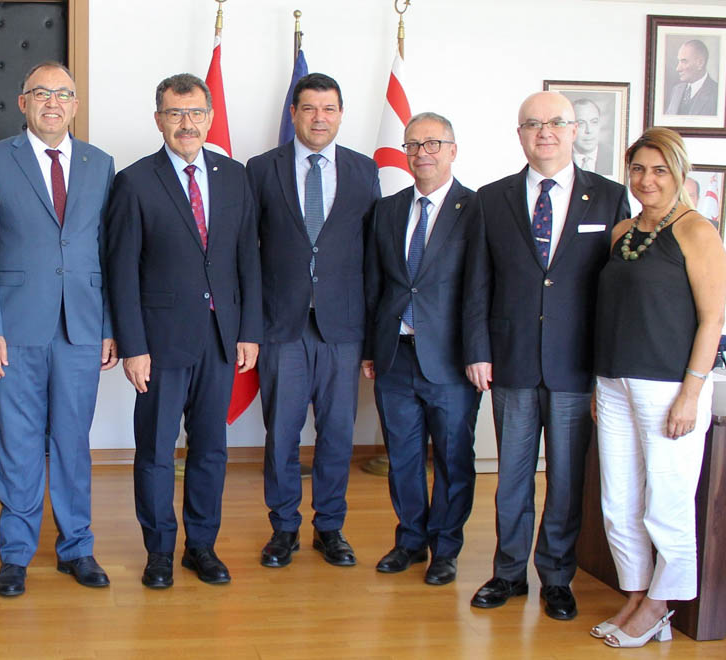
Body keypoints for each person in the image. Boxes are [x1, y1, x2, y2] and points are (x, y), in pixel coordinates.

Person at [465, 91, 631, 621]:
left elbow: (617, 289)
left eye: (556, 122)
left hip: (576, 365)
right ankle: (509, 573)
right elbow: (477, 283)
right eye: (533, 124)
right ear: (519, 134)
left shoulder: (609, 198)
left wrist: (608, 364)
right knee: (511, 479)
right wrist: (477, 350)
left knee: (565, 480)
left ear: (574, 130)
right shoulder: (491, 198)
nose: (545, 132)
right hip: (510, 360)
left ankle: (557, 577)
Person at [0, 61, 118, 597]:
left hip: (82, 326)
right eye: (42, 93)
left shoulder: (100, 163)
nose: (53, 102)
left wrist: (109, 325)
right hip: (14, 327)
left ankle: (77, 547)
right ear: (23, 102)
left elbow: (108, 252)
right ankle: (16, 553)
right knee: (19, 442)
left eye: (63, 94)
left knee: (74, 441)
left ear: (75, 104)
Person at [107, 73, 262, 588]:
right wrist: (133, 346)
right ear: (159, 120)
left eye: (195, 113)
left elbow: (247, 259)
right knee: (155, 451)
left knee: (211, 449)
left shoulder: (235, 176)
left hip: (221, 338)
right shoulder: (134, 181)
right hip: (159, 343)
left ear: (210, 118)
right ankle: (159, 552)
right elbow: (122, 271)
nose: (186, 123)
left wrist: (249, 330)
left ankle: (201, 546)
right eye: (175, 114)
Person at [590, 127, 726, 648]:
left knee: (665, 503)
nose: (647, 180)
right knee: (618, 501)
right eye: (639, 169)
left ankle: (660, 604)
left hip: (670, 387)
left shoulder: (697, 231)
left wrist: (691, 393)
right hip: (615, 382)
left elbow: (713, 319)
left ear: (679, 173)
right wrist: (600, 383)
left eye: (659, 170)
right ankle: (636, 595)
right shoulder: (622, 232)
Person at [244, 72, 380, 569]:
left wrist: (371, 337)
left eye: (328, 109)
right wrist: (250, 328)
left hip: (343, 327)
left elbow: (373, 255)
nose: (319, 118)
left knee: (338, 433)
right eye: (309, 108)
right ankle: (283, 528)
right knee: (281, 433)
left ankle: (330, 527)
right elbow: (247, 253)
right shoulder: (262, 169)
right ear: (294, 114)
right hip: (282, 325)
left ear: (341, 114)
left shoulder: (365, 170)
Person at [361, 112, 481, 586]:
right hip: (395, 354)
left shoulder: (477, 209)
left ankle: (445, 548)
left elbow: (481, 289)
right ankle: (410, 540)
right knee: (403, 456)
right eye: (412, 144)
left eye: (432, 143)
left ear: (453, 150)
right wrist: (371, 347)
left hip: (451, 359)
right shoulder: (387, 210)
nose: (421, 153)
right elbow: (375, 284)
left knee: (453, 458)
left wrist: (479, 353)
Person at [665, 39, 719, 116]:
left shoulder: (717, 93)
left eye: (684, 61)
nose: (678, 68)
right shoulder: (676, 90)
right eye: (679, 61)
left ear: (700, 63)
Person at [572, 98, 610, 175]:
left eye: (594, 122)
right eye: (581, 123)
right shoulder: (558, 158)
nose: (588, 130)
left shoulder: (612, 156)